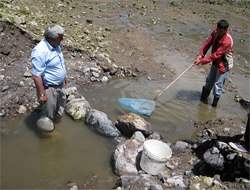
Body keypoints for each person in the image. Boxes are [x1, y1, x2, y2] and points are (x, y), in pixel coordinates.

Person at [31, 24, 67, 125]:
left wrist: (63, 76)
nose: (62, 39)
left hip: (60, 85)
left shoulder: (55, 45)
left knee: (60, 108)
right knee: (48, 114)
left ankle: (56, 124)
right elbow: (36, 75)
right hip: (49, 87)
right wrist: (42, 94)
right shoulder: (40, 51)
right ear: (52, 38)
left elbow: (60, 61)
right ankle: (46, 135)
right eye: (60, 38)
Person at [194, 19, 234, 107]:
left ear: (225, 30)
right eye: (217, 30)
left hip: (224, 64)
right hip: (216, 62)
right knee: (209, 82)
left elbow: (216, 55)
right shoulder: (215, 32)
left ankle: (214, 106)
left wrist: (201, 61)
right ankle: (202, 103)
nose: (218, 32)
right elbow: (208, 43)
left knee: (218, 86)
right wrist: (201, 54)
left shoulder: (227, 41)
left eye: (220, 31)